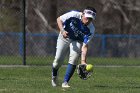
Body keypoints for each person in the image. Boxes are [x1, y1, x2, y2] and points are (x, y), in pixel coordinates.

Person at [51, 6, 96, 88]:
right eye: (87, 17)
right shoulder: (73, 14)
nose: (88, 20)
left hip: (77, 40)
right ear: (83, 14)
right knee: (58, 60)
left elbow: (85, 46)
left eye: (91, 19)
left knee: (74, 58)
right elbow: (59, 19)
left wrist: (83, 61)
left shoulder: (91, 29)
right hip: (64, 36)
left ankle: (65, 82)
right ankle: (54, 76)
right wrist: (62, 31)